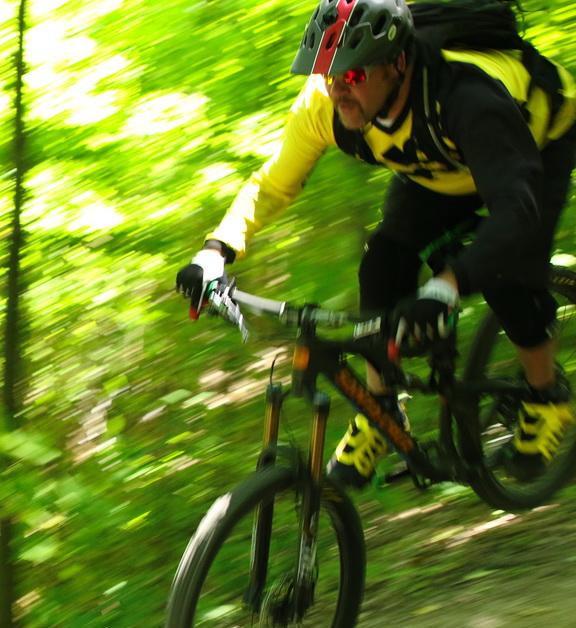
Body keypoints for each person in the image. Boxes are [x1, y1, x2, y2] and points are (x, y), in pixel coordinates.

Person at [177, 0, 576, 486]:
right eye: (328, 75)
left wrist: (445, 287)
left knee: (506, 267)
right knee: (382, 263)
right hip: (439, 167)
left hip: (532, 144)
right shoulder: (326, 104)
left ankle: (546, 394)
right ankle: (381, 410)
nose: (338, 87)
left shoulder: (466, 97)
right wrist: (215, 251)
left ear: (398, 63)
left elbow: (516, 210)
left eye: (354, 75)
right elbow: (272, 184)